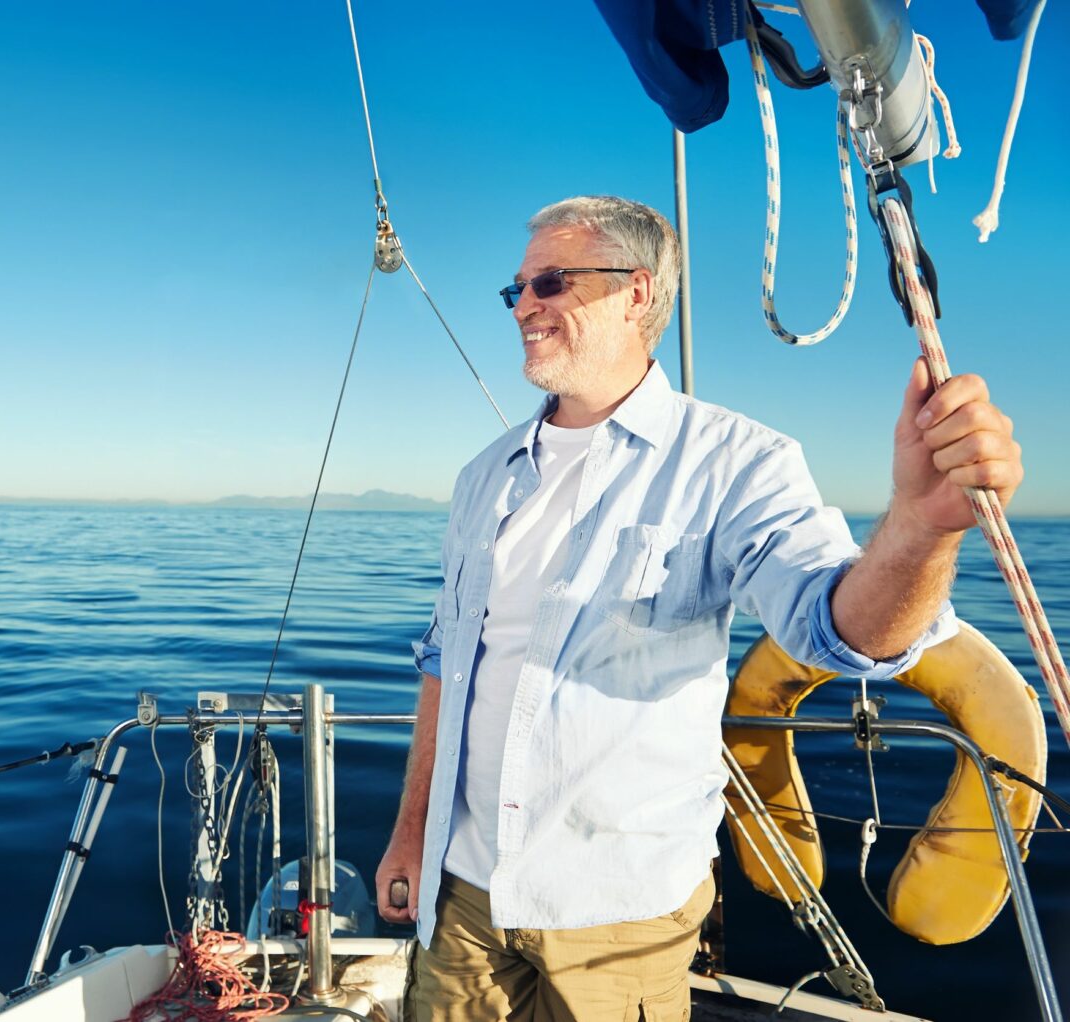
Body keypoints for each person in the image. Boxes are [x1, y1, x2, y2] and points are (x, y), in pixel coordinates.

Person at [373, 195, 1023, 1021]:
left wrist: (922, 529)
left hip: (616, 916)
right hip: (460, 902)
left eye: (550, 282)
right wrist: (411, 829)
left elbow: (837, 629)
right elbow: (445, 663)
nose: (524, 305)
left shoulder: (737, 463)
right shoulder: (485, 477)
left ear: (637, 293)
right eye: (518, 290)